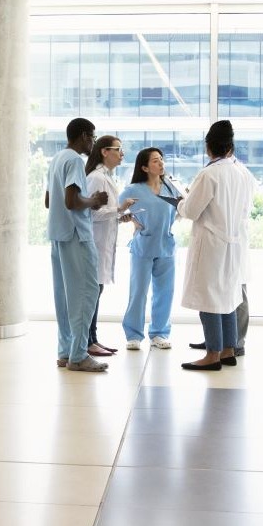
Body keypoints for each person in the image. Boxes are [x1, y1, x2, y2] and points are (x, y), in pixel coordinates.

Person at [178, 120, 258, 370]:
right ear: (231, 147)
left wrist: (182, 200)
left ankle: (212, 354)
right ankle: (228, 350)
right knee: (229, 297)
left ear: (208, 146)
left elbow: (191, 211)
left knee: (209, 300)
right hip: (233, 243)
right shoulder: (241, 172)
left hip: (212, 244)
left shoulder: (209, 173)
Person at [46, 118, 109, 372]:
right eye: (92, 137)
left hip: (58, 235)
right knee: (86, 293)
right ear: (83, 136)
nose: (93, 142)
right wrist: (93, 200)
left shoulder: (56, 159)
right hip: (76, 235)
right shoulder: (74, 160)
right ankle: (80, 355)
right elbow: (72, 201)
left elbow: (50, 201)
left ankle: (65, 351)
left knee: (64, 297)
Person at [118, 147, 179, 350]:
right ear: (144, 167)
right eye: (155, 161)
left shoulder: (170, 186)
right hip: (143, 246)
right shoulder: (133, 189)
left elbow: (183, 209)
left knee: (165, 293)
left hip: (166, 246)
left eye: (161, 159)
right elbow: (115, 212)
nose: (161, 163)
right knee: (138, 292)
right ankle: (133, 335)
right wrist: (130, 219)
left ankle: (159, 333)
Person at [84, 136, 136, 356]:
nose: (122, 153)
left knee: (97, 289)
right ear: (105, 152)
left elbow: (103, 214)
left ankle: (93, 338)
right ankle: (88, 341)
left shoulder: (107, 177)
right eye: (118, 149)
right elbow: (91, 212)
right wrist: (118, 209)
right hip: (94, 242)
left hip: (103, 241)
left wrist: (119, 216)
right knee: (92, 291)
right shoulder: (96, 178)